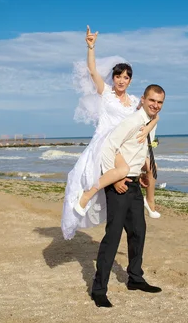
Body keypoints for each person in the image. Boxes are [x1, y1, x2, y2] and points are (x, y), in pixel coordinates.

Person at [60, 26, 160, 241]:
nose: (122, 80)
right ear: (113, 78)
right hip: (108, 141)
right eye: (118, 76)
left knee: (152, 167)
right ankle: (85, 198)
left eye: (126, 77)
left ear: (130, 80)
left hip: (127, 142)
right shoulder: (106, 94)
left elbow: (154, 113)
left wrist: (150, 129)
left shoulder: (135, 101)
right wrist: (91, 46)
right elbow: (93, 70)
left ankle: (150, 202)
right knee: (122, 168)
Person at [91, 84, 165, 308]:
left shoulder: (149, 125)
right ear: (142, 99)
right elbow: (108, 147)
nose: (155, 105)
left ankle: (135, 278)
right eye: (152, 100)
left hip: (134, 185)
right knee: (112, 237)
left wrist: (143, 173)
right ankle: (98, 289)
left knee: (138, 232)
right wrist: (114, 179)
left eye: (160, 102)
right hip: (119, 185)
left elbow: (140, 150)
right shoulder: (131, 121)